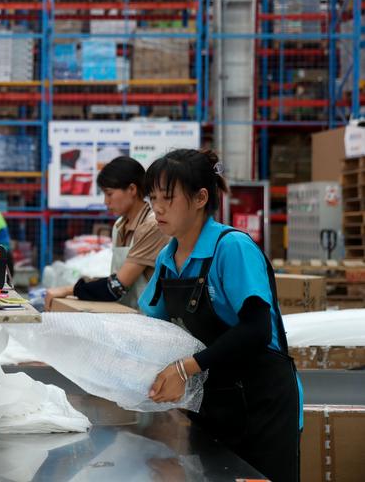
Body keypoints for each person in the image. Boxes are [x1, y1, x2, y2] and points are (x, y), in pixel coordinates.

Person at [139, 149, 301, 482]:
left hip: (262, 409)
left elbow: (256, 329)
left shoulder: (232, 248)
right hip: (214, 405)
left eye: (167, 198)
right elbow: (148, 325)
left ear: (200, 198)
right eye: (152, 197)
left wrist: (184, 369)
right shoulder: (168, 258)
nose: (157, 208)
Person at [45, 156, 169, 309]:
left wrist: (69, 290)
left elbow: (118, 286)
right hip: (125, 312)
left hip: (149, 318)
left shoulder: (152, 225)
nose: (105, 202)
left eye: (109, 194)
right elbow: (115, 280)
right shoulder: (119, 226)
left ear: (132, 189)